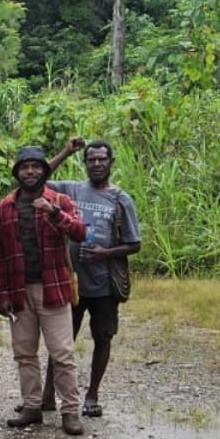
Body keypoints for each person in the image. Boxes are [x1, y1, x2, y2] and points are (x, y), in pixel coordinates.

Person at [40, 137, 142, 418]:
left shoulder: (121, 199)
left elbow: (135, 244)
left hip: (104, 285)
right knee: (60, 342)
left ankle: (92, 394)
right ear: (84, 163)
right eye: (91, 159)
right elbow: (39, 179)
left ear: (111, 163)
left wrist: (104, 253)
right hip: (70, 282)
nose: (97, 164)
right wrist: (66, 151)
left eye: (102, 159)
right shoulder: (72, 189)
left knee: (103, 338)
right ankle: (48, 394)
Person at [0, 145, 88, 436]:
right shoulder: (4, 208)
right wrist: (1, 294)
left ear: (44, 171)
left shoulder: (59, 200)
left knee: (62, 353)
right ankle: (32, 406)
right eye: (24, 167)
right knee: (24, 353)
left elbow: (81, 232)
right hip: (19, 292)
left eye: (36, 167)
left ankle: (70, 411)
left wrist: (55, 213)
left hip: (53, 290)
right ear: (17, 172)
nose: (30, 171)